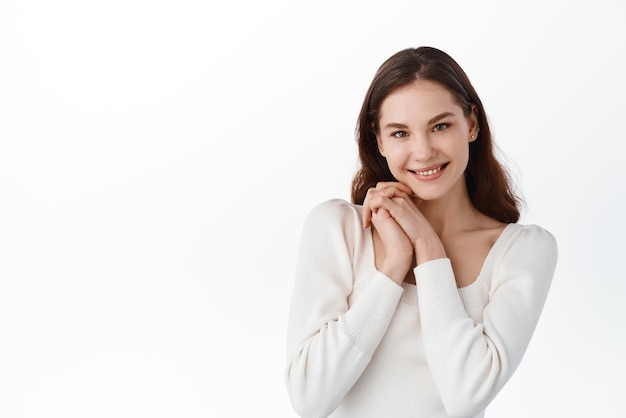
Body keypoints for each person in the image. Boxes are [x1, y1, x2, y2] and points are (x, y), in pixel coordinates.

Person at [284, 46, 557, 418]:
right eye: (400, 133)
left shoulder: (521, 251)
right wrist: (394, 264)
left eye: (440, 126)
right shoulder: (338, 229)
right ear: (378, 140)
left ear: (472, 124)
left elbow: (467, 396)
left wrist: (428, 247)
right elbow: (309, 398)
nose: (424, 151)